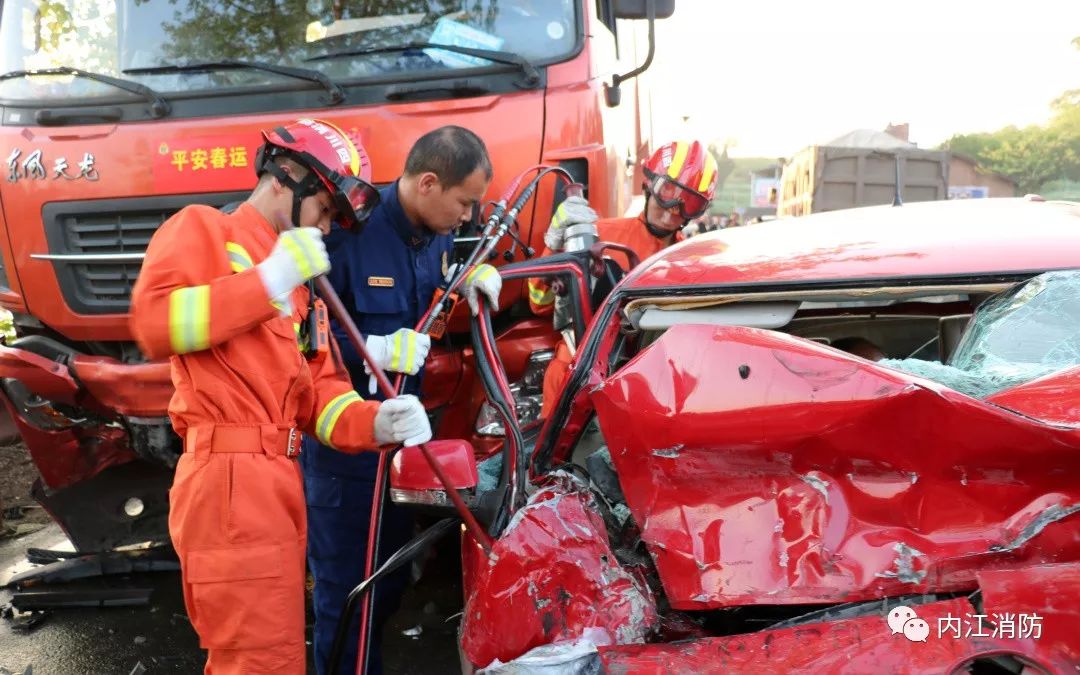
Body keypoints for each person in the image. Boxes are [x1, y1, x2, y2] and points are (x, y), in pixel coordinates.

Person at [129, 118, 433, 675]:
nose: (326, 225)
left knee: (277, 654)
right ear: (287, 176)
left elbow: (321, 394)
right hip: (229, 480)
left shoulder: (301, 285)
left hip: (276, 479)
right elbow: (154, 324)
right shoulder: (203, 231)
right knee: (260, 661)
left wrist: (376, 422)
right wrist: (264, 281)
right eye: (324, 208)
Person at [301, 125, 497, 675]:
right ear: (428, 182)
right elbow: (295, 339)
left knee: (385, 589)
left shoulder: (432, 233)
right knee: (347, 599)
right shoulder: (346, 234)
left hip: (400, 447)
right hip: (345, 453)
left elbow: (434, 274)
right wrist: (374, 349)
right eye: (463, 202)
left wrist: (466, 276)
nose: (466, 217)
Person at [528, 140, 718, 417]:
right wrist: (553, 247)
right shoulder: (597, 235)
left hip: (643, 392)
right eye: (667, 193)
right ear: (649, 185)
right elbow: (540, 303)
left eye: (687, 204)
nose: (669, 212)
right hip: (574, 382)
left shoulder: (689, 262)